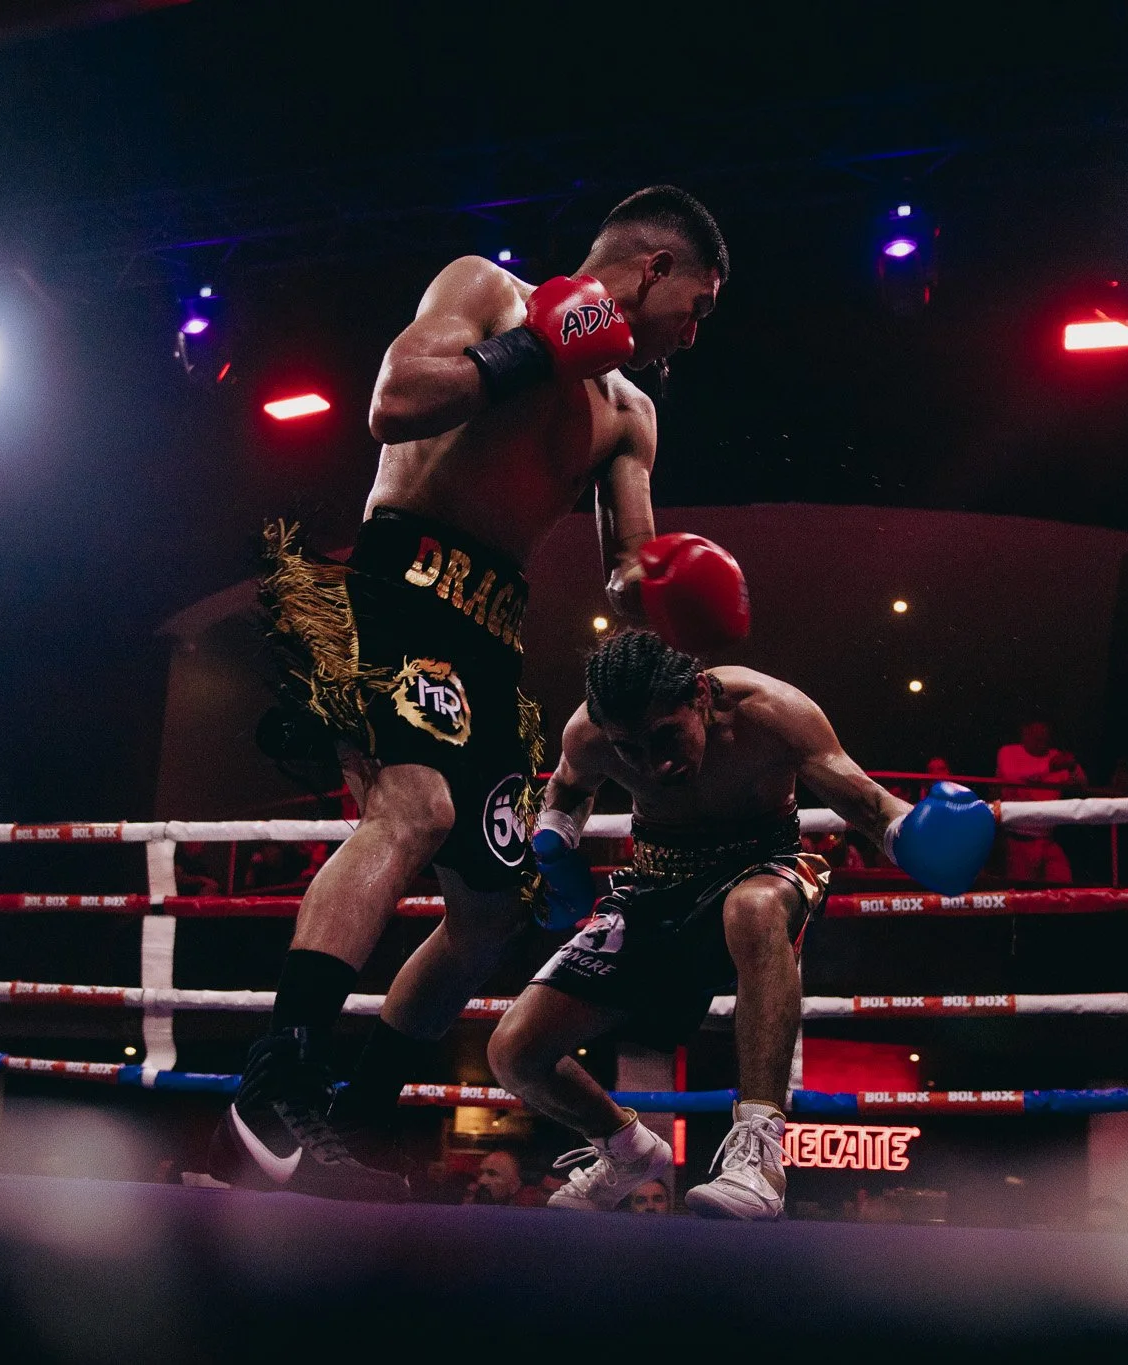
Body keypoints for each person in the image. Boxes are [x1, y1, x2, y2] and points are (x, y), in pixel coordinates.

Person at [214, 188, 732, 1198]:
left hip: (490, 631)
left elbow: (627, 568)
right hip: (395, 581)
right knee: (414, 807)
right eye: (697, 304)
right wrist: (536, 350)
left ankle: (352, 1117)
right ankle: (273, 1078)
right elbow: (392, 403)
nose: (694, 332)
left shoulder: (633, 414)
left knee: (490, 914)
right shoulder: (486, 290)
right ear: (656, 267)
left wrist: (667, 580)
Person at [487, 632, 993, 1220]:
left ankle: (760, 1156)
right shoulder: (592, 732)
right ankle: (626, 1150)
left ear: (701, 694)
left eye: (665, 736)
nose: (656, 764)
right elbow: (569, 788)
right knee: (514, 1053)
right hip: (656, 884)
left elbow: (869, 804)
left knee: (749, 909)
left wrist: (919, 836)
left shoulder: (771, 712)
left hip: (766, 867)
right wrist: (557, 836)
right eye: (632, 749)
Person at [994, 719, 1085, 884]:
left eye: (1044, 738)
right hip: (1018, 839)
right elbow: (1010, 776)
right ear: (1024, 732)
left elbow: (1082, 783)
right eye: (1036, 737)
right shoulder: (1009, 753)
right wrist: (1049, 767)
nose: (1040, 741)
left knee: (1063, 884)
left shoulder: (1055, 756)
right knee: (1023, 893)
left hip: (1048, 840)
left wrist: (1071, 766)